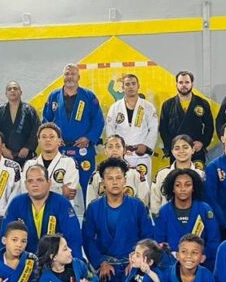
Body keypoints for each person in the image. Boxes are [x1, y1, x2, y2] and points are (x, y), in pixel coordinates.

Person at [82, 158, 155, 282]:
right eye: (110, 178)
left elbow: (148, 237)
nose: (115, 182)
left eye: (118, 178)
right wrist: (100, 263)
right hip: (106, 270)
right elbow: (88, 239)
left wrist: (136, 260)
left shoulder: (137, 206)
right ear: (103, 182)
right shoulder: (93, 208)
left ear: (125, 180)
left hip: (133, 267)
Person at [41, 64, 104, 205]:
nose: (70, 77)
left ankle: (90, 214)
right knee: (59, 185)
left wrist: (88, 138)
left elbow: (98, 120)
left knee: (89, 186)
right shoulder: (54, 96)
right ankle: (59, 214)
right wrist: (54, 138)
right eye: (67, 74)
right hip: (61, 150)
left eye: (73, 74)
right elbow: (46, 121)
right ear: (63, 77)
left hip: (83, 150)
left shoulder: (88, 96)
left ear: (78, 77)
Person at [1, 164, 83, 258]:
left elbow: (73, 239)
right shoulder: (17, 203)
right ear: (26, 184)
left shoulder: (61, 203)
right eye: (30, 181)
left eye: (39, 180)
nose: (34, 184)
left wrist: (74, 264)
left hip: (55, 260)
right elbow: (6, 235)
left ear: (49, 183)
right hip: (23, 261)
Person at [153, 168, 220, 265]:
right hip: (171, 266)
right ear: (172, 188)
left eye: (187, 185)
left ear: (193, 188)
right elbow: (159, 243)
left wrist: (205, 255)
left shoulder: (204, 209)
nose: (183, 189)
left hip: (201, 265)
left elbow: (213, 240)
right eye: (178, 185)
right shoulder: (164, 212)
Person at [105, 73, 158, 181]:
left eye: (133, 84)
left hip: (141, 155)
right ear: (123, 87)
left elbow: (153, 128)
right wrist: (116, 148)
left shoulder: (148, 107)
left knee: (143, 185)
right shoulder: (115, 107)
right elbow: (110, 129)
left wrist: (146, 146)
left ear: (138, 86)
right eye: (127, 84)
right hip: (122, 155)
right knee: (123, 184)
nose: (131, 87)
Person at [158, 71, 215, 166]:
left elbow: (209, 126)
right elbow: (163, 129)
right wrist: (172, 146)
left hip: (196, 150)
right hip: (177, 151)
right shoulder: (167, 105)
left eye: (187, 82)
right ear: (176, 84)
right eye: (181, 82)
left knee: (197, 175)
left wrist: (202, 143)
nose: (184, 85)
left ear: (192, 84)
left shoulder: (202, 103)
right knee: (177, 175)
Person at [23, 123, 81, 214]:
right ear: (38, 141)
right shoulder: (30, 164)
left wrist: (37, 190)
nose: (47, 140)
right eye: (44, 137)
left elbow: (67, 194)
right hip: (35, 212)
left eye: (51, 137)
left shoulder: (69, 163)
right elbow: (25, 191)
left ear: (59, 141)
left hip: (61, 211)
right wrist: (59, 189)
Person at [86, 134, 149, 206]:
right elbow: (90, 204)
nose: (114, 150)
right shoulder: (97, 176)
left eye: (118, 146)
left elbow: (144, 202)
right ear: (105, 151)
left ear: (124, 150)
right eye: (110, 147)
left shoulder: (136, 174)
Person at [150, 134, 205, 216]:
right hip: (167, 220)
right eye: (177, 148)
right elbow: (155, 201)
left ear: (193, 149)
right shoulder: (162, 174)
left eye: (185, 147)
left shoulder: (201, 175)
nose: (181, 151)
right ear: (172, 152)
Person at [0, 81, 40, 165]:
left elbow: (36, 130)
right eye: (9, 89)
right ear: (6, 93)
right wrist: (3, 149)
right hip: (5, 155)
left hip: (26, 155)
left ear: (21, 92)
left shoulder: (29, 110)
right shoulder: (0, 112)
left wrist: (27, 147)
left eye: (15, 88)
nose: (12, 90)